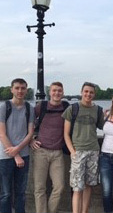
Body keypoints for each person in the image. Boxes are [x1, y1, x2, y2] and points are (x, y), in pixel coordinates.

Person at [62, 82, 104, 213]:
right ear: (81, 92)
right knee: (77, 187)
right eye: (86, 91)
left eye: (91, 92)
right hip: (78, 151)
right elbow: (66, 133)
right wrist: (72, 152)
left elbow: (103, 127)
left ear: (94, 94)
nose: (88, 94)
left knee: (88, 186)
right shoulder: (72, 109)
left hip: (93, 150)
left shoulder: (98, 110)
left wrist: (109, 115)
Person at [30, 82, 69, 213]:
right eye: (54, 90)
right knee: (39, 188)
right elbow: (27, 121)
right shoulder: (41, 107)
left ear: (63, 92)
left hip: (57, 152)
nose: (57, 93)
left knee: (59, 186)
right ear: (49, 92)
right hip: (41, 151)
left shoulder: (66, 107)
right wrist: (30, 139)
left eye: (59, 91)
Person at [0, 78, 34, 213]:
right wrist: (16, 155)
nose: (20, 91)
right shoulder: (4, 107)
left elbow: (30, 133)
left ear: (26, 90)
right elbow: (2, 134)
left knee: (21, 193)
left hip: (23, 156)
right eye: (17, 88)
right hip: (5, 156)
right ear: (12, 89)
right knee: (5, 194)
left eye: (23, 88)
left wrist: (18, 152)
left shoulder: (29, 108)